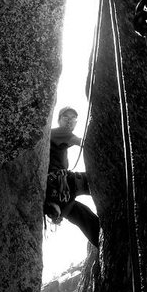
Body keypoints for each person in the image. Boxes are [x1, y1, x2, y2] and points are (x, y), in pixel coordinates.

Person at [44, 106, 99, 247]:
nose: (69, 121)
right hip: (64, 183)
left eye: (73, 119)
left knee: (85, 218)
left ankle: (105, 243)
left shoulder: (55, 137)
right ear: (58, 120)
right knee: (97, 180)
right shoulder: (59, 132)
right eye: (66, 118)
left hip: (59, 193)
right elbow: (84, 143)